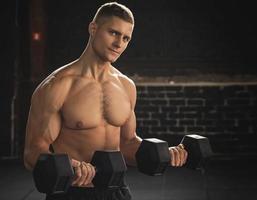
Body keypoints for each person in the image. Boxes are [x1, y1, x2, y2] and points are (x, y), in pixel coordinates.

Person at [23, 2, 188, 200]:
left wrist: (164, 154)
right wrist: (72, 166)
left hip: (116, 191)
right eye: (113, 33)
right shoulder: (58, 86)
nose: (119, 44)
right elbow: (33, 152)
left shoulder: (126, 86)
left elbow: (127, 144)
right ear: (93, 28)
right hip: (72, 193)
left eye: (126, 38)